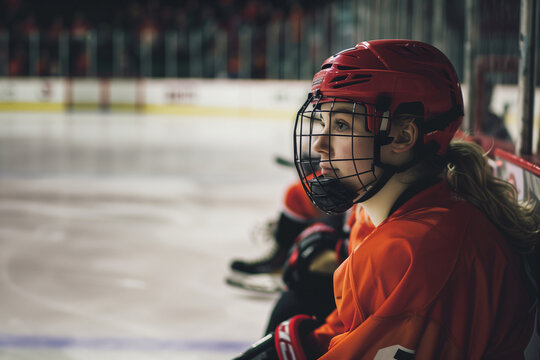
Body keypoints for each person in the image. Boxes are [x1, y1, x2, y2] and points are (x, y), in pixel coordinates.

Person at [234, 39, 540, 359]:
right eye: (322, 123)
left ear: (403, 136)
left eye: (340, 125)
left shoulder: (418, 251)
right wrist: (305, 344)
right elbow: (350, 328)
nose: (319, 145)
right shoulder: (385, 213)